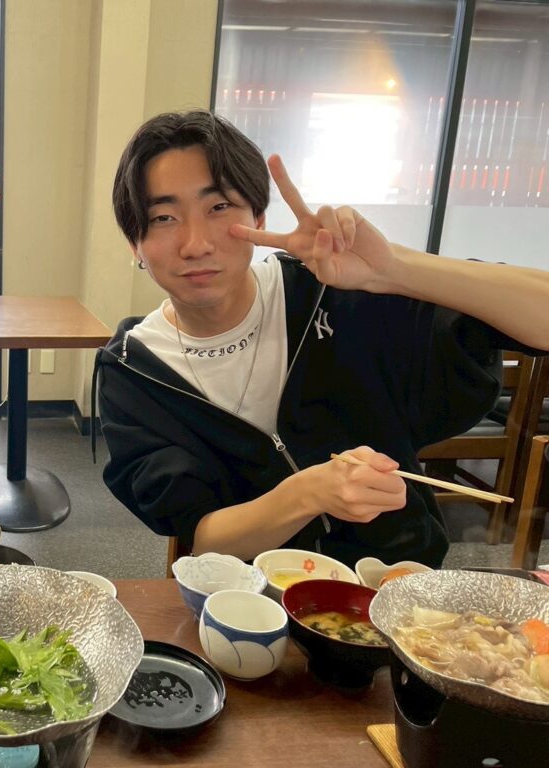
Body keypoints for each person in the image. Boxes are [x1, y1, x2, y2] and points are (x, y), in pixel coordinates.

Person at [95, 109, 549, 568]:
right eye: (163, 217)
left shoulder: (332, 292)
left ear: (259, 216)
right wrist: (309, 493)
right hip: (248, 596)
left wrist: (394, 270)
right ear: (135, 243)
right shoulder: (135, 369)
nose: (196, 244)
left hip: (388, 586)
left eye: (218, 208)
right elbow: (204, 537)